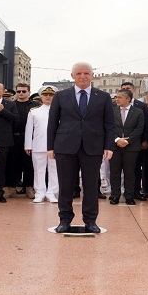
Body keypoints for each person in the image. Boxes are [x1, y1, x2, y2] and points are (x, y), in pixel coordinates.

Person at [47, 62, 114, 233]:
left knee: (91, 186)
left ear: (92, 75)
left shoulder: (103, 96)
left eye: (86, 73)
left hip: (93, 147)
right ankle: (64, 219)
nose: (82, 76)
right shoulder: (61, 96)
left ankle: (90, 221)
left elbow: (109, 124)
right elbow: (53, 123)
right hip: (65, 147)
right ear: (72, 76)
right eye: (79, 73)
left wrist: (109, 146)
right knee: (66, 185)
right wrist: (50, 146)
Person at [108, 89, 144, 205]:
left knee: (130, 172)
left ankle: (129, 196)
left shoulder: (138, 112)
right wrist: (117, 139)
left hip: (131, 147)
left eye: (120, 97)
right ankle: (115, 195)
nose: (117, 99)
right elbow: (108, 128)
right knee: (114, 172)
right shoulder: (111, 112)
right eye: (116, 97)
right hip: (115, 146)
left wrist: (127, 141)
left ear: (128, 99)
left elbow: (139, 129)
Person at [25, 86, 59, 203]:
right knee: (38, 171)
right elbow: (29, 129)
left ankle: (52, 193)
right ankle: (39, 192)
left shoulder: (61, 111)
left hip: (55, 146)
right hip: (38, 145)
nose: (48, 97)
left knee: (54, 170)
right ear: (41, 97)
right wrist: (28, 145)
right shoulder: (34, 111)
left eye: (51, 95)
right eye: (45, 95)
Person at [119, 82, 148, 200]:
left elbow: (146, 124)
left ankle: (135, 191)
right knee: (118, 170)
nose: (126, 90)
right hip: (117, 143)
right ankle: (118, 192)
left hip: (136, 143)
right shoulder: (114, 105)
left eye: (128, 88)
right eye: (123, 89)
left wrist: (145, 140)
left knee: (135, 169)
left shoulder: (141, 105)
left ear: (134, 90)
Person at [8, 83, 37, 198]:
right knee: (13, 163)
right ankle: (11, 188)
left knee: (29, 164)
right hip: (14, 137)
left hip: (30, 138)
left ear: (29, 92)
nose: (21, 93)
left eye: (24, 91)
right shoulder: (10, 105)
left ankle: (29, 188)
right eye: (18, 91)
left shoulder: (35, 105)